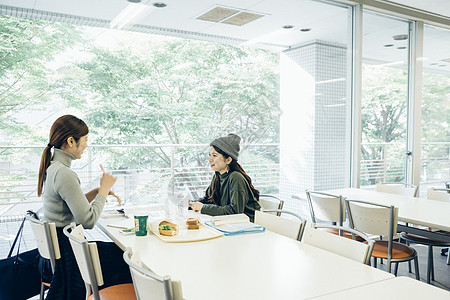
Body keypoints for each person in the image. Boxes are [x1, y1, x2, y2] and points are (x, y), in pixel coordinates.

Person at [36, 115, 131, 300]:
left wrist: (96, 193)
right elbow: (88, 221)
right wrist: (104, 190)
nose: (87, 145)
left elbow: (65, 206)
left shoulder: (53, 168)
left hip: (62, 249)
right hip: (69, 253)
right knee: (128, 258)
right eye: (85, 140)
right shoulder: (64, 173)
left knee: (119, 252)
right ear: (71, 141)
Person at [190, 133, 261, 222]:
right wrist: (191, 204)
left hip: (248, 226)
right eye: (209, 155)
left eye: (214, 155)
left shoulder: (236, 177)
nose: (210, 159)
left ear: (228, 160)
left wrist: (203, 207)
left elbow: (235, 212)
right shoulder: (217, 176)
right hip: (228, 223)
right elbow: (208, 199)